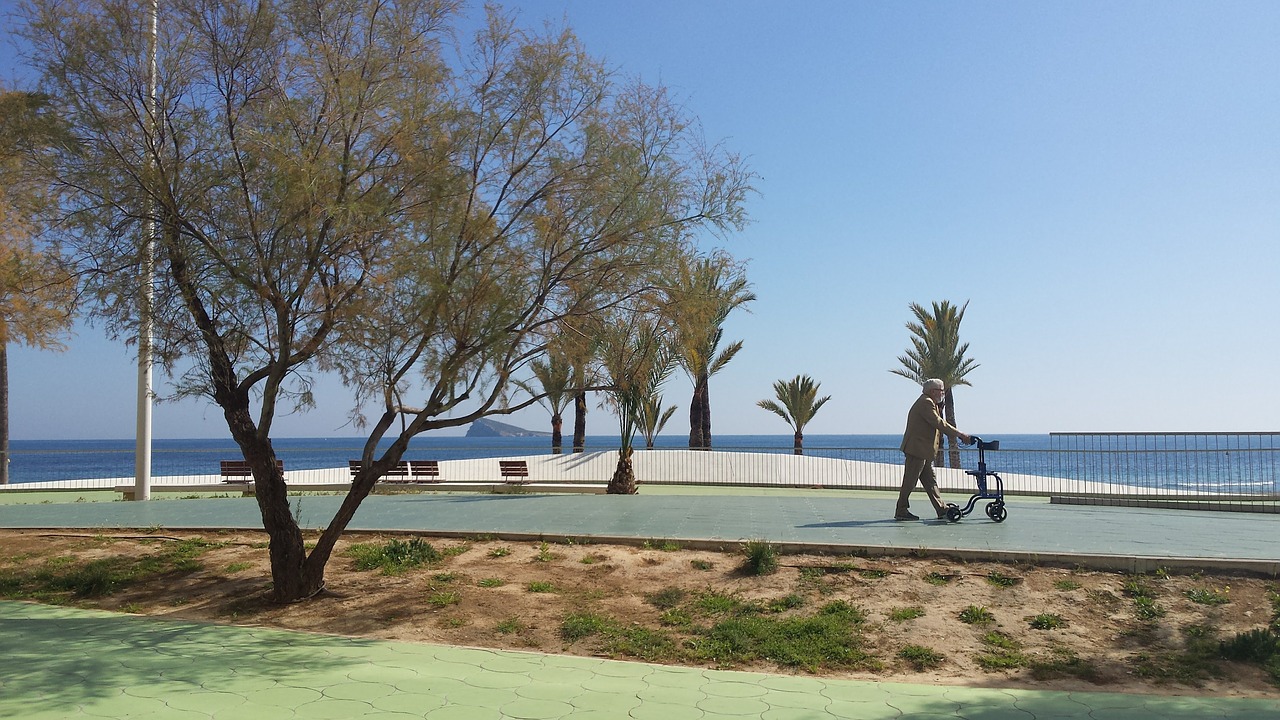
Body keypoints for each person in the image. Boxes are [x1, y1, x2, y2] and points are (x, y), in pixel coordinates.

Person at [896, 378, 970, 521]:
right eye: (941, 391)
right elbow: (938, 422)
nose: (943, 393)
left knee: (930, 481)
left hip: (922, 451)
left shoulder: (930, 403)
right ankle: (901, 510)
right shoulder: (926, 402)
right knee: (910, 481)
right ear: (932, 391)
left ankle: (941, 509)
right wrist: (959, 434)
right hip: (917, 450)